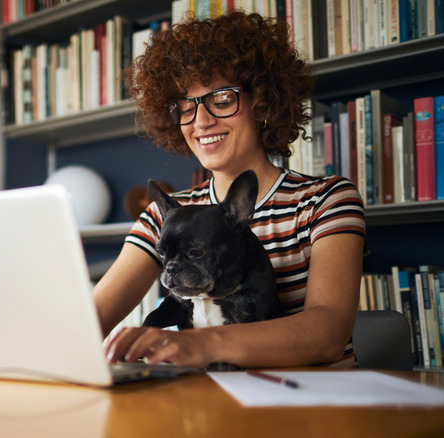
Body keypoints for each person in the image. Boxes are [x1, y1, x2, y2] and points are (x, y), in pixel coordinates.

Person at [93, 11, 366, 369]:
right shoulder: (169, 214)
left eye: (221, 100)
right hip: (206, 408)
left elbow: (328, 334)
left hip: (311, 410)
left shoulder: (323, 200)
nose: (201, 121)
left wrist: (201, 344)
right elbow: (91, 317)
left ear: (263, 103)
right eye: (186, 107)